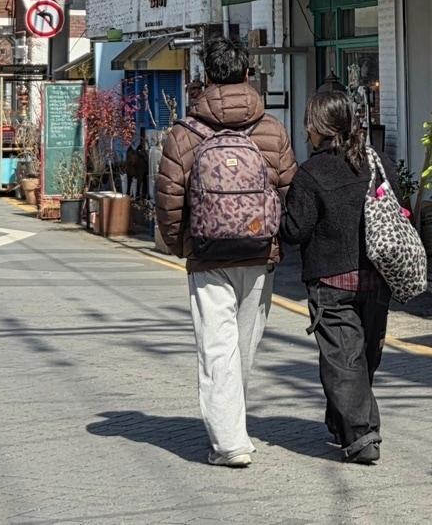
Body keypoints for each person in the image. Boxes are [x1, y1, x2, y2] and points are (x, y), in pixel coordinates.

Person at [156, 37, 297, 469]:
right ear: (247, 74)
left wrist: (183, 245)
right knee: (244, 346)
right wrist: (278, 241)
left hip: (208, 254)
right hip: (258, 253)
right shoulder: (270, 129)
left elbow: (168, 200)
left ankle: (230, 441)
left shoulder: (185, 133)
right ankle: (234, 428)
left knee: (217, 347)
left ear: (207, 76)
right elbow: (289, 190)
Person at [281, 91, 393, 465]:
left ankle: (362, 436)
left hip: (331, 282)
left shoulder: (311, 174)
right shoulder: (377, 164)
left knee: (344, 361)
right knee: (363, 357)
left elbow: (295, 229)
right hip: (377, 277)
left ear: (317, 128)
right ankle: (342, 420)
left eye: (308, 123)